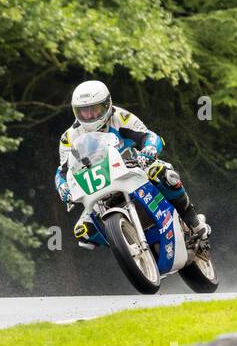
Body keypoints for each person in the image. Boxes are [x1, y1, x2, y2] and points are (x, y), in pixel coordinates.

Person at [54, 80, 210, 248]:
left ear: (107, 104)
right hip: (97, 185)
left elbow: (149, 136)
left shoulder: (121, 117)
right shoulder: (69, 137)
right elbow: (62, 172)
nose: (90, 116)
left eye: (95, 109)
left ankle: (193, 221)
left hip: (132, 167)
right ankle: (127, 247)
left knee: (165, 174)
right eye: (83, 112)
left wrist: (149, 149)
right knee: (83, 231)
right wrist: (64, 188)